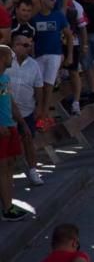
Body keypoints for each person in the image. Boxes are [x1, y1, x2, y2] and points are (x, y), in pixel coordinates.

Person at [0, 43, 30, 220]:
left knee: (10, 164)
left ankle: (9, 202)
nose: (12, 58)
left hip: (10, 124)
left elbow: (9, 102)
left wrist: (22, 123)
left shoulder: (4, 79)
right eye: (9, 56)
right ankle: (7, 208)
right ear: (2, 57)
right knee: (3, 166)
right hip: (1, 127)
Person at [9, 34, 44, 186]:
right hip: (6, 111)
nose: (28, 48)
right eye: (24, 45)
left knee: (29, 140)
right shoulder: (6, 61)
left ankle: (33, 171)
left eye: (29, 45)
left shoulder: (34, 65)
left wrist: (39, 107)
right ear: (15, 46)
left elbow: (39, 88)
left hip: (27, 110)